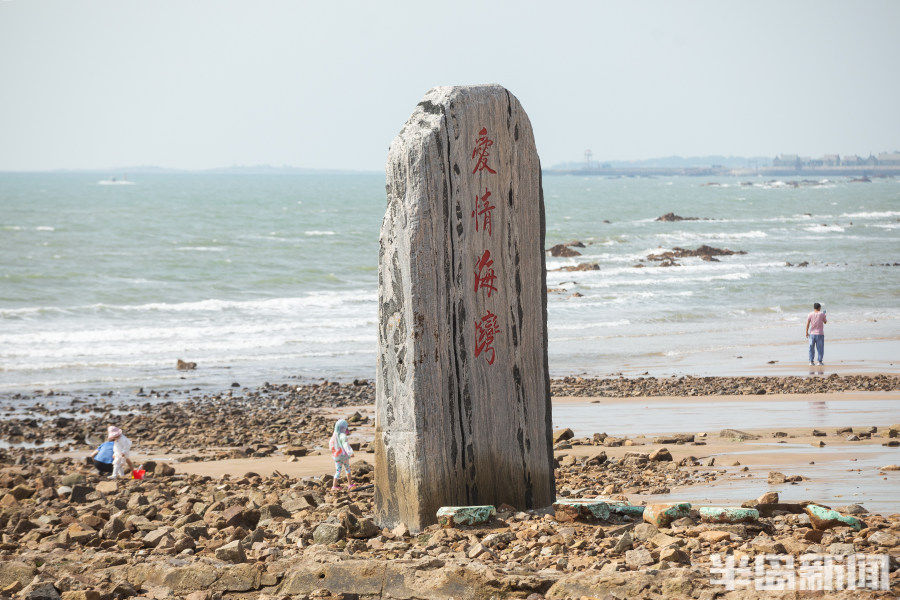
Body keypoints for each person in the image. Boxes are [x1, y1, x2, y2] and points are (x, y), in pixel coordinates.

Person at [328, 419, 355, 491]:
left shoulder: (334, 436)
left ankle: (334, 486)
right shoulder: (343, 436)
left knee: (338, 471)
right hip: (344, 456)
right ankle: (350, 484)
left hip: (336, 457)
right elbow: (345, 445)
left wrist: (334, 453)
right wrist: (350, 452)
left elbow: (331, 446)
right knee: (347, 469)